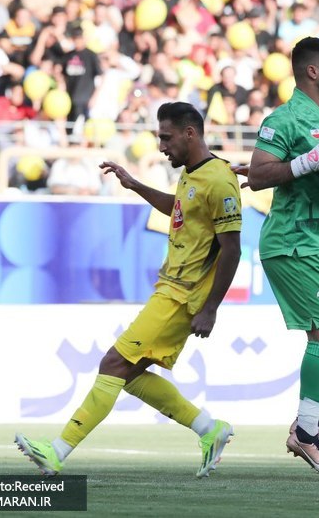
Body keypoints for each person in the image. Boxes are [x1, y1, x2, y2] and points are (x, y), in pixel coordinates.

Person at [15, 102, 242, 479]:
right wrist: (135, 185)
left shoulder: (220, 180)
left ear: (190, 133)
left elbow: (232, 248)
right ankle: (209, 429)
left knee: (113, 364)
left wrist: (211, 309)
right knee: (129, 374)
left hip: (182, 296)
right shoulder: (192, 173)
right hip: (171, 289)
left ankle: (57, 451)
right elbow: (179, 208)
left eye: (166, 137)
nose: (161, 146)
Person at [244, 37, 319, 479]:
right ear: (313, 71)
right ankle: (306, 434)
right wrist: (307, 161)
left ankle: (307, 423)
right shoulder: (283, 119)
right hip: (290, 241)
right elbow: (258, 176)